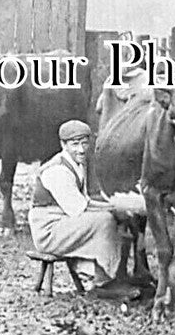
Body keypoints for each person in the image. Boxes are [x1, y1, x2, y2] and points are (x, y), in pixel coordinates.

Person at [28, 120, 141, 300]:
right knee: (104, 221)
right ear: (63, 145)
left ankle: (114, 275)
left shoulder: (78, 164)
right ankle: (103, 283)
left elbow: (85, 200)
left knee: (117, 218)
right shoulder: (57, 169)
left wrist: (115, 207)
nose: (81, 150)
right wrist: (117, 207)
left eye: (84, 143)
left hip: (64, 222)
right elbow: (79, 208)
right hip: (49, 230)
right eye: (74, 144)